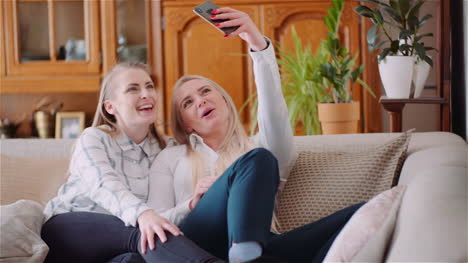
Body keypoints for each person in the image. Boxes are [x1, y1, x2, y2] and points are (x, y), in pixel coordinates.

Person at [147, 7, 363, 263]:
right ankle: (245, 256)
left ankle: (248, 253)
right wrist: (192, 204)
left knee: (362, 212)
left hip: (262, 243)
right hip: (197, 245)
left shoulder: (260, 149)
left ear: (224, 101)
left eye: (206, 91)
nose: (200, 101)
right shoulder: (170, 158)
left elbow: (274, 111)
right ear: (186, 125)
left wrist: (256, 42)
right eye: (188, 103)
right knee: (255, 160)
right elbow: (155, 226)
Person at [40, 62, 225, 263]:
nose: (146, 94)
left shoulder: (168, 150)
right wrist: (143, 214)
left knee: (134, 258)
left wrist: (190, 205)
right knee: (146, 235)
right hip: (69, 232)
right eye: (133, 89)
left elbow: (165, 216)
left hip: (123, 247)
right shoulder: (94, 138)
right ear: (110, 107)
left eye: (150, 86)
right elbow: (103, 184)